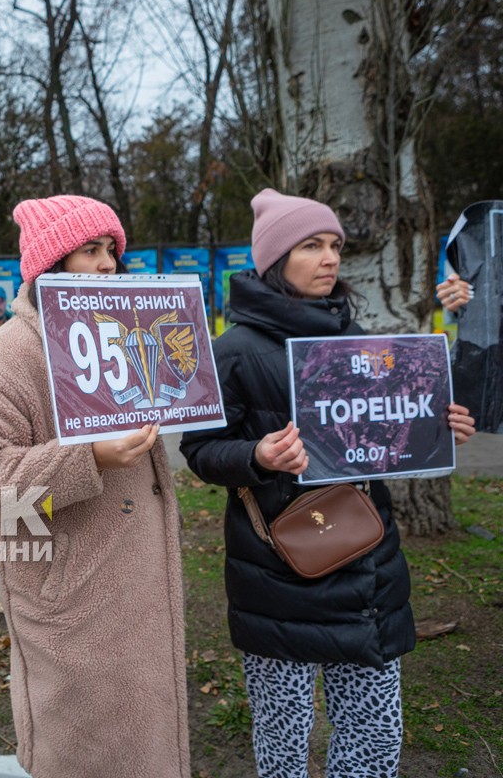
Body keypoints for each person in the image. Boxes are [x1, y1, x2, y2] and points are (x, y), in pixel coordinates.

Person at [179, 188, 477, 777]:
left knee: (373, 732)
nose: (330, 258)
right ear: (273, 260)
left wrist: (434, 423)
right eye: (311, 245)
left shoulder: (360, 338)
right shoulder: (232, 351)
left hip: (368, 566)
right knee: (283, 742)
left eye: (335, 245)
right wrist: (258, 455)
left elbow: (388, 432)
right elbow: (199, 451)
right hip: (279, 576)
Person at [0, 195, 190, 778]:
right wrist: (86, 458)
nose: (109, 263)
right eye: (90, 250)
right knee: (87, 757)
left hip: (137, 592)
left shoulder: (122, 335)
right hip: (73, 607)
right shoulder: (7, 358)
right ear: (50, 264)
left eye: (112, 249)